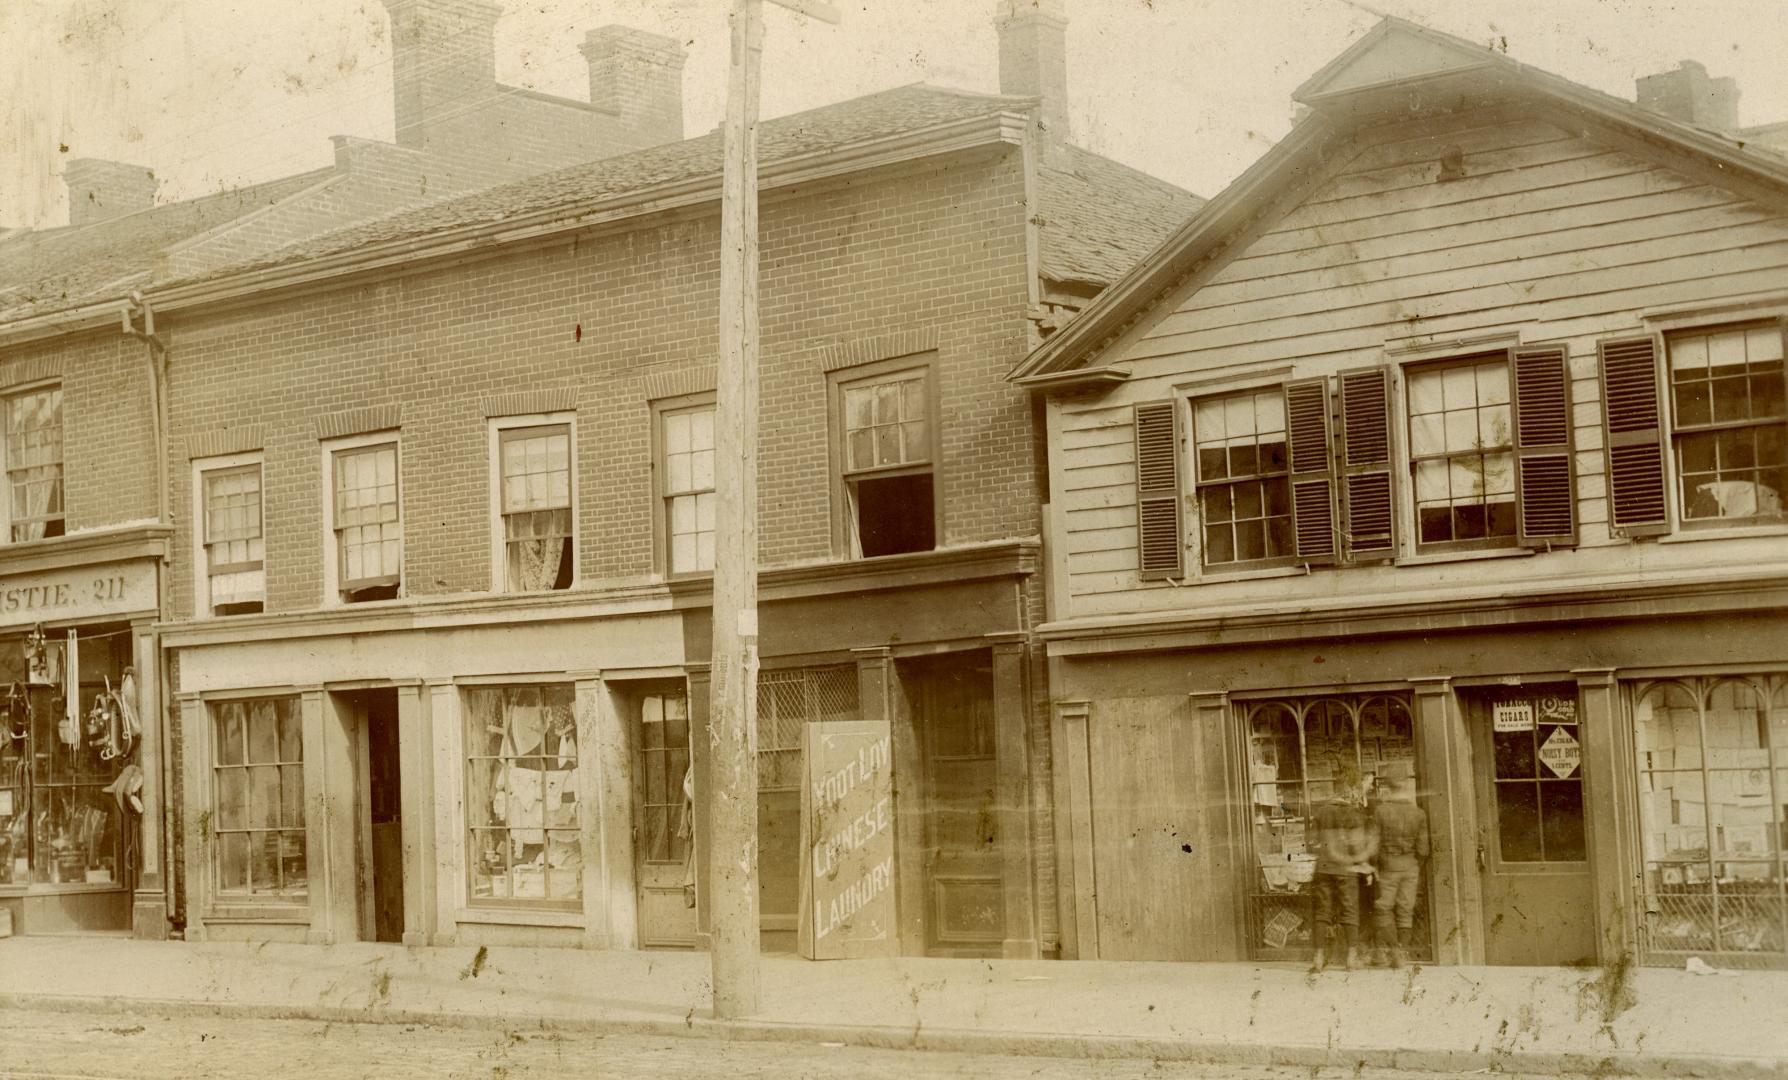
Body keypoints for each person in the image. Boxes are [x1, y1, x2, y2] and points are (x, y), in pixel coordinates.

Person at [1309, 758, 1376, 972]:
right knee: (1350, 912)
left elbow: (1313, 841)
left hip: (1323, 867)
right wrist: (1365, 867)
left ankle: (1318, 960)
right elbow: (1357, 846)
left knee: (1322, 913)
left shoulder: (1322, 810)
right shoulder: (1352, 813)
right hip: (1346, 869)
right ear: (1353, 787)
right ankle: (1350, 959)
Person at [1370, 760, 1429, 968]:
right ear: (1405, 784)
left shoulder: (1381, 811)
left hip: (1388, 865)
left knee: (1383, 908)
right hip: (1411, 865)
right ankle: (1401, 953)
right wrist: (1414, 864)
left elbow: (1374, 846)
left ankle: (1393, 950)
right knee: (1406, 910)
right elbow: (1423, 849)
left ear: (1387, 785)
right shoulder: (1419, 813)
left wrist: (1376, 866)